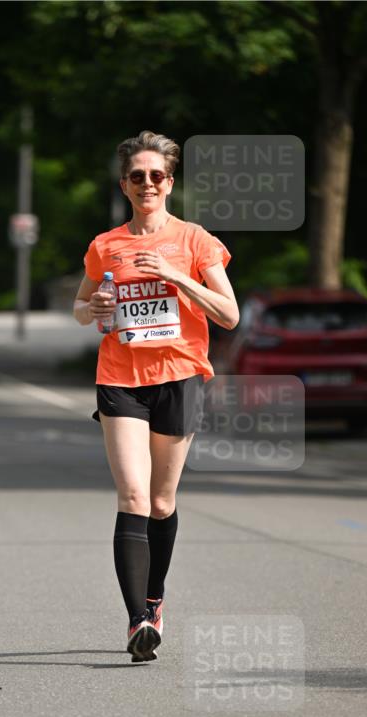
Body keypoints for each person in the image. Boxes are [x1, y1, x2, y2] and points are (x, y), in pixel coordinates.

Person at [73, 131, 239, 662]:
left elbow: (229, 314)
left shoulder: (196, 241)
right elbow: (82, 307)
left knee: (163, 501)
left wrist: (175, 275)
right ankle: (137, 622)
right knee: (134, 498)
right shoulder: (106, 245)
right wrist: (94, 309)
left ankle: (155, 597)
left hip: (180, 376)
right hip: (120, 378)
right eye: (137, 176)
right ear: (125, 184)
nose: (148, 183)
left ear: (170, 183)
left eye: (157, 175)